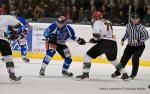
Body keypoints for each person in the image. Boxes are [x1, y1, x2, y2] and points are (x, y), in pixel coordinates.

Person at [76, 11, 129, 80]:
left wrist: (95, 40)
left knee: (88, 56)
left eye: (93, 17)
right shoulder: (108, 21)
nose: (93, 19)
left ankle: (85, 75)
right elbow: (106, 34)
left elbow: (96, 34)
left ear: (95, 17)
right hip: (113, 43)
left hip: (104, 43)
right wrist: (96, 40)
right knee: (113, 60)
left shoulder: (97, 22)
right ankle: (125, 74)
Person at [111, 13, 149, 79]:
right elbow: (127, 33)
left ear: (139, 19)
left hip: (139, 46)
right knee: (123, 59)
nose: (134, 20)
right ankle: (118, 72)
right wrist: (123, 39)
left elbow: (147, 36)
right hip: (130, 46)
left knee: (135, 59)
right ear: (131, 19)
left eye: (136, 19)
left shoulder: (141, 27)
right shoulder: (128, 26)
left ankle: (133, 74)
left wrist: (139, 40)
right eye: (133, 19)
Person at [0, 13, 22, 82]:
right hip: (2, 39)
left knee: (8, 57)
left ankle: (12, 74)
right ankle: (12, 74)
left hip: (3, 39)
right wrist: (15, 34)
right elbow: (19, 25)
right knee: (8, 57)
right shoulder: (7, 17)